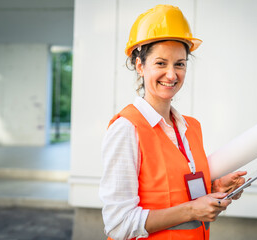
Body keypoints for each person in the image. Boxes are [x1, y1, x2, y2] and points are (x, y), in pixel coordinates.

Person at [99, 4, 247, 240]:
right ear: (140, 66)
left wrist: (215, 189)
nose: (172, 74)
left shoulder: (191, 127)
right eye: (160, 63)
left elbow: (180, 191)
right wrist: (190, 211)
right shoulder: (127, 128)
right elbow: (119, 225)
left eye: (180, 63)